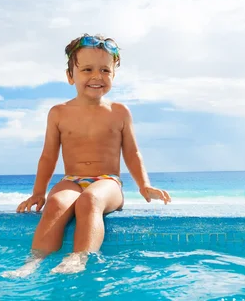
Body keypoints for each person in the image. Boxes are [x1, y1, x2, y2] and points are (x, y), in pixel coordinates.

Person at [10, 34, 171, 276]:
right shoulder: (58, 113)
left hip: (108, 182)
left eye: (105, 70)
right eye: (87, 69)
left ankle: (78, 257)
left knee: (91, 201)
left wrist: (144, 185)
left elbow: (132, 152)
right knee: (55, 204)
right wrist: (38, 192)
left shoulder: (119, 112)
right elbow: (48, 156)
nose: (97, 76)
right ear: (70, 76)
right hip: (71, 180)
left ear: (113, 75)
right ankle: (34, 261)